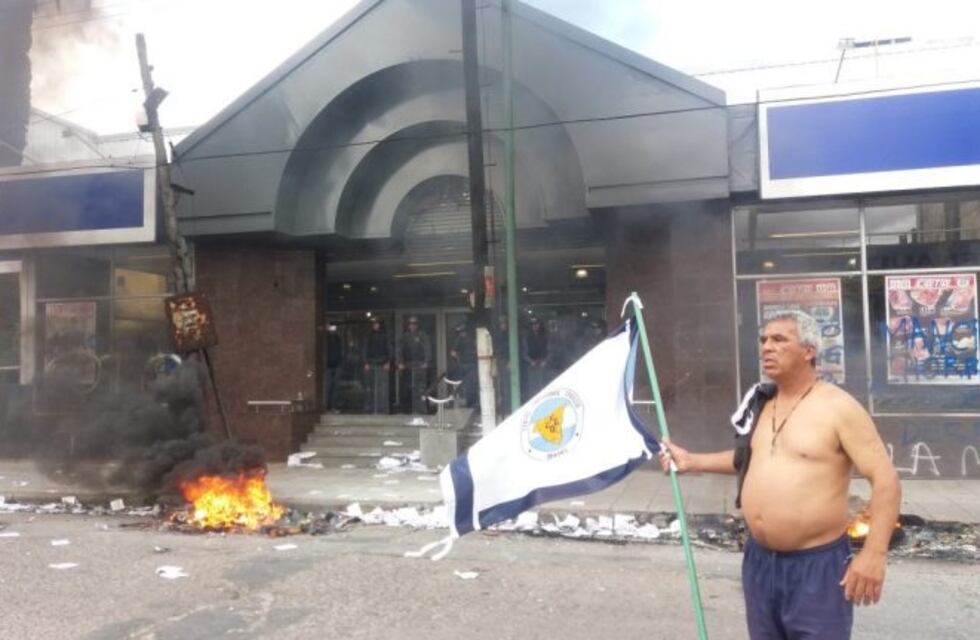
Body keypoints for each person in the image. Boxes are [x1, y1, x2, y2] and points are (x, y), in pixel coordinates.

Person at [659, 310, 900, 640]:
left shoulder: (838, 407)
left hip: (816, 567)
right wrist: (692, 461)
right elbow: (750, 460)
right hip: (759, 562)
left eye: (779, 339)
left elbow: (886, 480)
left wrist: (874, 554)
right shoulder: (762, 403)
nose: (766, 348)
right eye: (763, 340)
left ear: (809, 350)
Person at [398, 316, 430, 415]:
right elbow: (400, 350)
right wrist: (400, 363)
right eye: (411, 324)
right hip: (408, 365)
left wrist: (426, 362)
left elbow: (427, 349)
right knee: (407, 389)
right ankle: (407, 410)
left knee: (420, 388)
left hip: (419, 365)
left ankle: (421, 409)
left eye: (414, 324)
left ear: (417, 325)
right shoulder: (405, 336)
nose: (412, 326)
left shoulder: (422, 335)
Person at [362, 318, 391, 414]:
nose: (375, 325)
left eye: (377, 323)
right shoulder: (368, 335)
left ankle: (382, 409)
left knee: (382, 388)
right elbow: (365, 349)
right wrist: (366, 362)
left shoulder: (385, 335)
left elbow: (389, 348)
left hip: (382, 364)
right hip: (371, 364)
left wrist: (388, 362)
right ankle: (370, 408)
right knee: (370, 387)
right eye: (374, 324)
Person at [522, 315, 549, 398]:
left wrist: (545, 361)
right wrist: (530, 361)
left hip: (542, 364)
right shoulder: (527, 337)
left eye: (537, 324)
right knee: (532, 387)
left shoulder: (544, 336)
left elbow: (550, 349)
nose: (535, 326)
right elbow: (524, 352)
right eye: (533, 324)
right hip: (531, 365)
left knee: (542, 385)